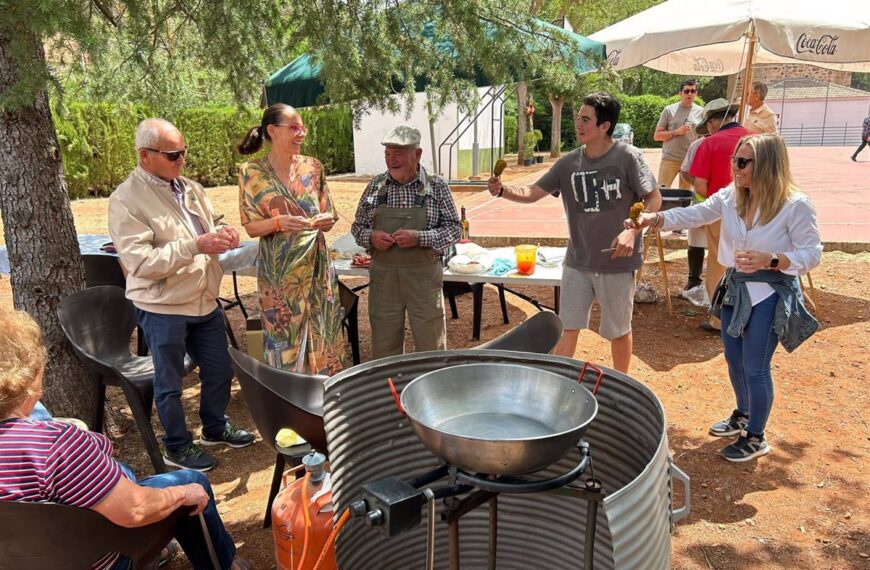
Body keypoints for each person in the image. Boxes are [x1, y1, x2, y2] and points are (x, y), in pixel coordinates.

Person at [0, 307, 248, 570]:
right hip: (94, 559)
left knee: (122, 472)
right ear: (30, 379)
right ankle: (222, 564)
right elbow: (136, 510)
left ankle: (160, 552)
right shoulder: (58, 446)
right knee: (192, 481)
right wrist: (183, 493)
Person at [629, 134, 822, 462]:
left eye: (743, 162)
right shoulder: (732, 196)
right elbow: (695, 214)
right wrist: (655, 219)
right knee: (734, 359)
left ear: (767, 166)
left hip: (769, 292)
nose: (735, 167)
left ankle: (756, 435)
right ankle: (743, 414)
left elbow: (812, 253)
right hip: (734, 289)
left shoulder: (795, 205)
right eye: (735, 160)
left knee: (755, 366)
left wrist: (772, 259)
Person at [109, 118, 254, 472]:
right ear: (145, 156)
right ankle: (176, 446)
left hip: (203, 300)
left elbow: (208, 225)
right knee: (169, 382)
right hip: (162, 307)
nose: (181, 160)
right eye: (173, 154)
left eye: (184, 152)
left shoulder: (187, 187)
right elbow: (141, 264)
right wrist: (196, 245)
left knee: (220, 369)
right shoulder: (125, 200)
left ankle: (215, 427)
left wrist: (223, 232)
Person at [487, 92, 661, 373]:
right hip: (577, 261)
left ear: (604, 126)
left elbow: (653, 198)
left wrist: (633, 231)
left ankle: (622, 387)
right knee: (568, 325)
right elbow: (533, 192)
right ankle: (558, 384)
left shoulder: (628, 157)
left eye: (585, 119)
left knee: (618, 330)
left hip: (616, 261)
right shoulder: (568, 163)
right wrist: (503, 191)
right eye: (577, 118)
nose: (578, 124)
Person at [237, 103, 348, 375]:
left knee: (325, 333)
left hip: (318, 269)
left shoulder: (313, 168)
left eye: (303, 128)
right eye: (294, 128)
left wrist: (326, 220)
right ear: (272, 131)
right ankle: (289, 405)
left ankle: (326, 402)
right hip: (280, 275)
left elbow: (329, 213)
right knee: (282, 339)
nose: (301, 134)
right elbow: (251, 228)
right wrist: (278, 222)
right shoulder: (251, 172)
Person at [351, 126, 461, 358]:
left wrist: (420, 238)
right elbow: (357, 227)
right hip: (384, 277)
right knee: (384, 342)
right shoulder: (376, 186)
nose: (392, 160)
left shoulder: (437, 186)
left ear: (417, 154)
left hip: (423, 277)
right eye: (388, 154)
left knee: (431, 342)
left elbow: (454, 229)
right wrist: (370, 237)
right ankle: (389, 392)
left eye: (398, 153)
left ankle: (430, 392)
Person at [689, 99, 754, 331]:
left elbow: (700, 187)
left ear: (712, 122)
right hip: (758, 211)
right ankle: (751, 315)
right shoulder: (758, 139)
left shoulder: (709, 144)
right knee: (752, 263)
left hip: (720, 212)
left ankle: (720, 319)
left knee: (720, 263)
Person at [653, 79, 705, 189]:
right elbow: (657, 136)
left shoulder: (701, 112)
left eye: (692, 91)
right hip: (670, 159)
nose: (690, 94)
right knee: (662, 192)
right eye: (686, 91)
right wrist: (676, 132)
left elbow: (703, 138)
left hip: (689, 161)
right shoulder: (669, 110)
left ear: (696, 93)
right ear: (680, 93)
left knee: (685, 196)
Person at [680, 134, 709, 293]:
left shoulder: (738, 140)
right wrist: (700, 185)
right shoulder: (698, 144)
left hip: (726, 199)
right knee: (696, 240)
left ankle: (721, 283)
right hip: (701, 199)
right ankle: (693, 280)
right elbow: (685, 171)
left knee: (722, 242)